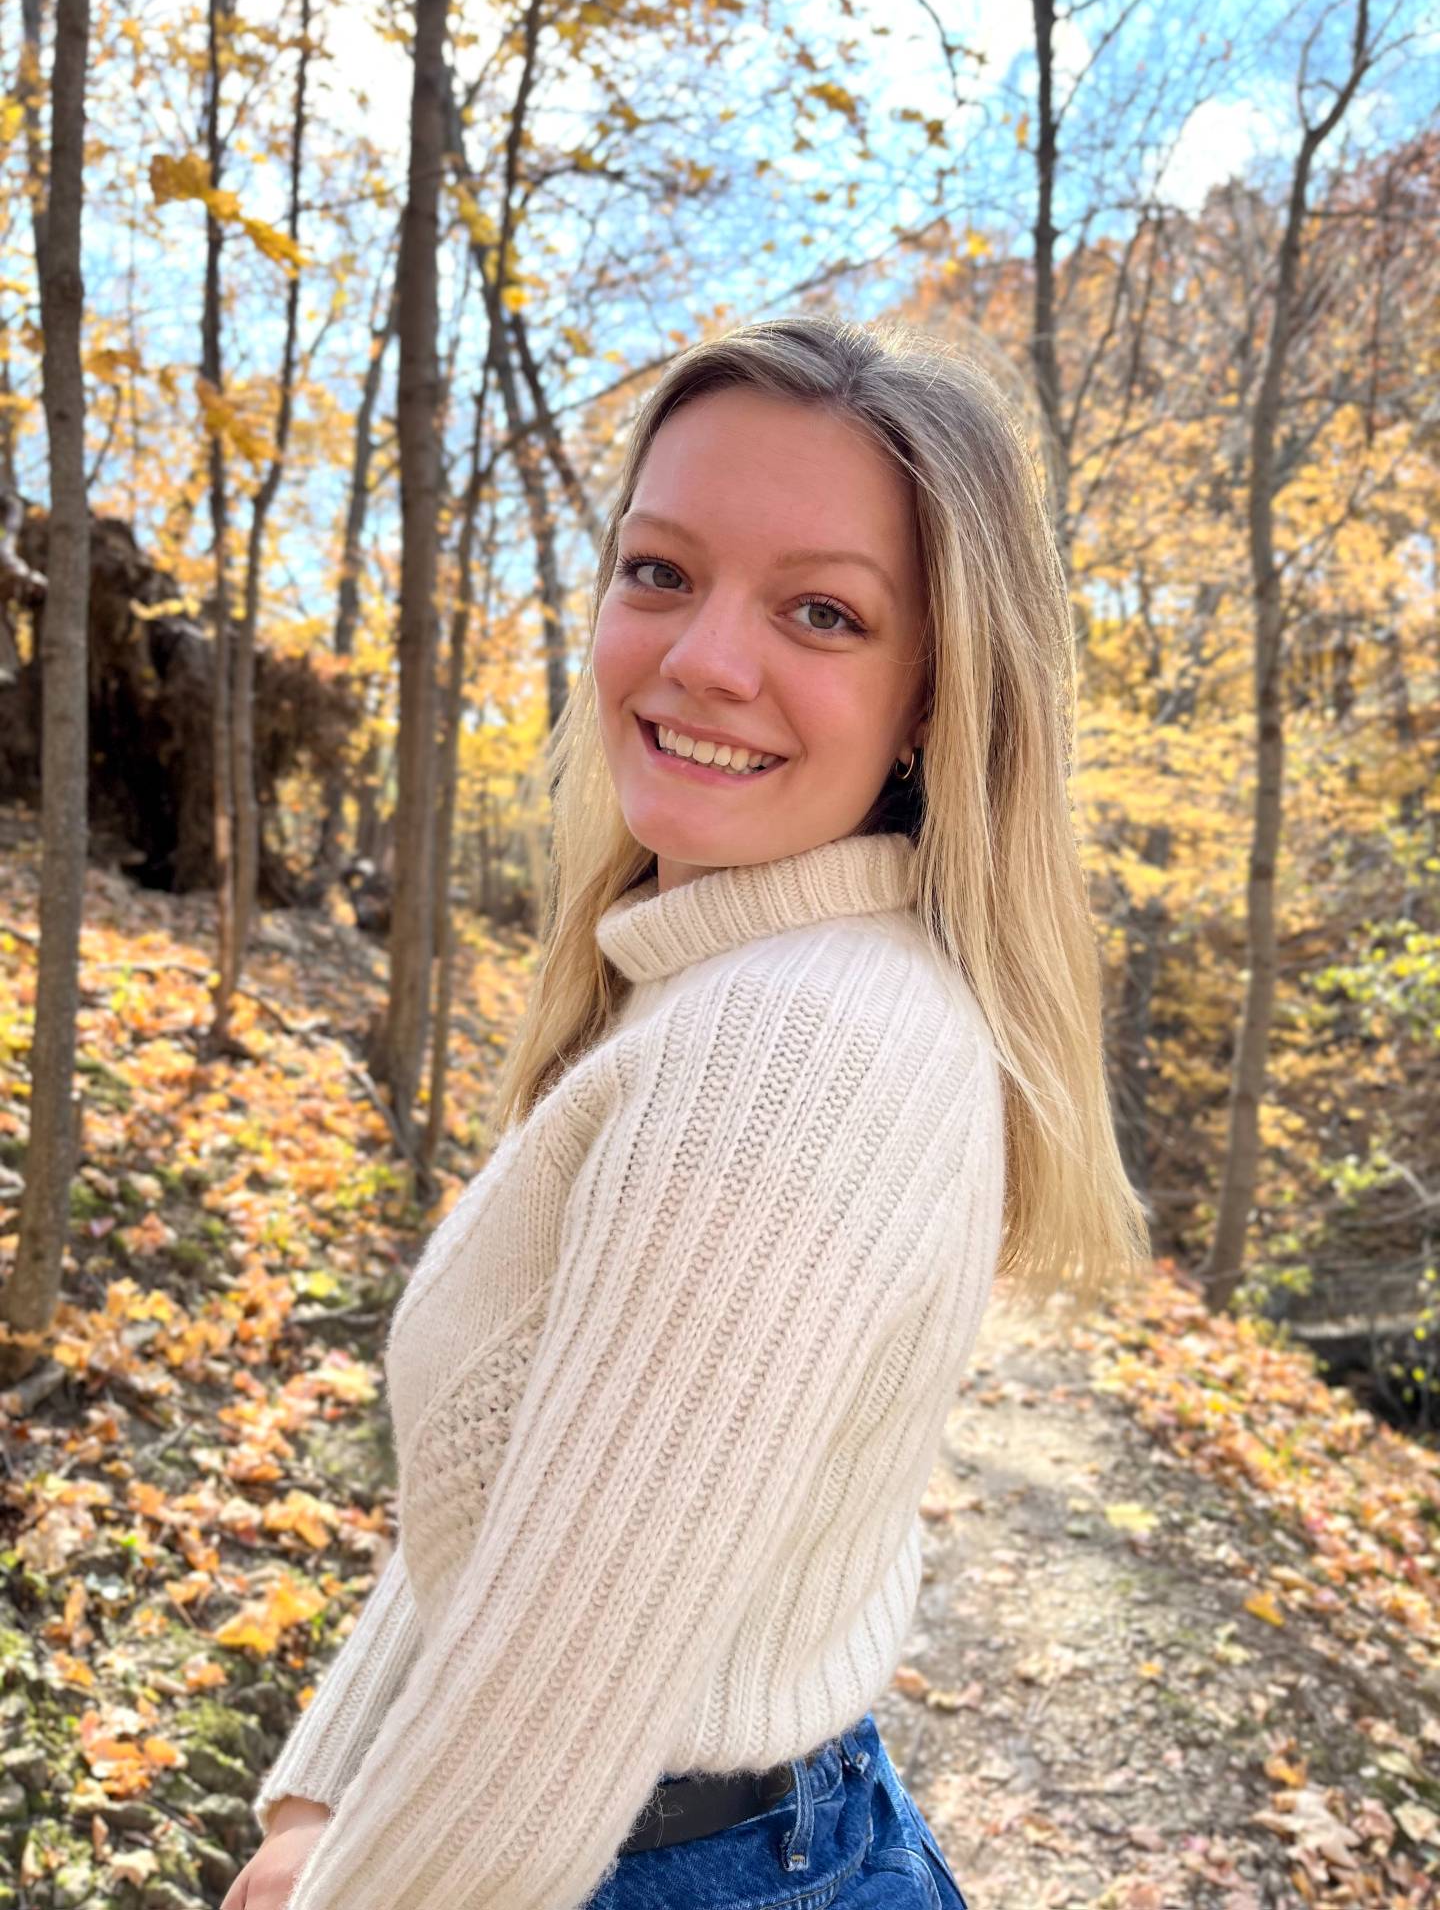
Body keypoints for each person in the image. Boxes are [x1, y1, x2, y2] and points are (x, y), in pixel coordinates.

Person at [227, 313, 1150, 1910]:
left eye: (820, 610)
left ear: (939, 691)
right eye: (660, 572)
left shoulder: (793, 1043)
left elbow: (551, 1696)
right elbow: (524, 1493)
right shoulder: (731, 978)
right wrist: (322, 1791)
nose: (704, 658)